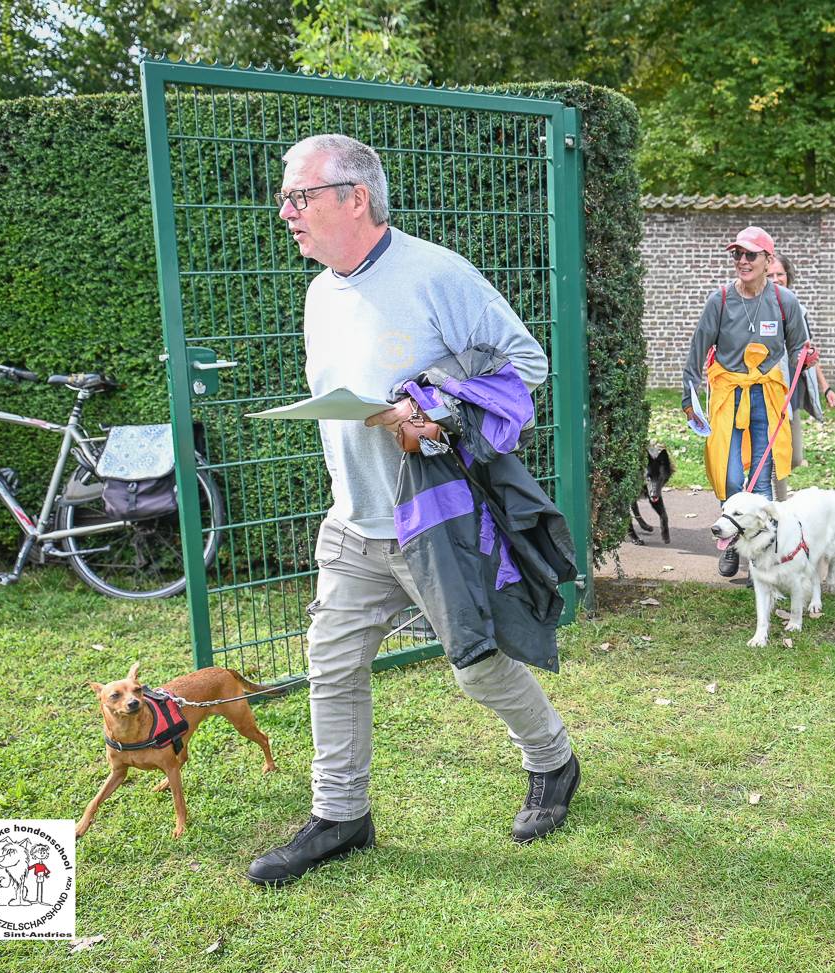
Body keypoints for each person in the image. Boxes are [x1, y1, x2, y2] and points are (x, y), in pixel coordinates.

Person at [248, 134, 579, 887]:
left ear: (353, 198)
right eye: (285, 198)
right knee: (331, 665)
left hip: (431, 520)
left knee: (478, 665)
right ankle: (341, 816)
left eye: (298, 196)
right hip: (353, 521)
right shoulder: (319, 291)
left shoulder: (435, 273)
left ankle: (554, 761)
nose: (285, 212)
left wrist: (435, 407)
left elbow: (525, 362)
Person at [682, 226, 810, 577]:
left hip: (766, 397)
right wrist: (688, 397)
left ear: (768, 260)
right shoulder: (720, 299)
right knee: (731, 476)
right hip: (728, 396)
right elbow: (697, 351)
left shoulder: (784, 301)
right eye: (737, 254)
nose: (742, 260)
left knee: (762, 478)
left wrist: (805, 357)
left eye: (750, 255)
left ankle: (763, 557)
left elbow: (799, 344)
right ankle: (732, 543)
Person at [766, 253, 835, 502]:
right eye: (769, 275)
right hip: (768, 393)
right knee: (779, 454)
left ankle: (766, 495)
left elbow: (806, 351)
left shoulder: (798, 309)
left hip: (792, 393)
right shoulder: (756, 309)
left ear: (788, 277)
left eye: (780, 274)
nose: (776, 279)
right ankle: (780, 509)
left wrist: (826, 388)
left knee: (795, 457)